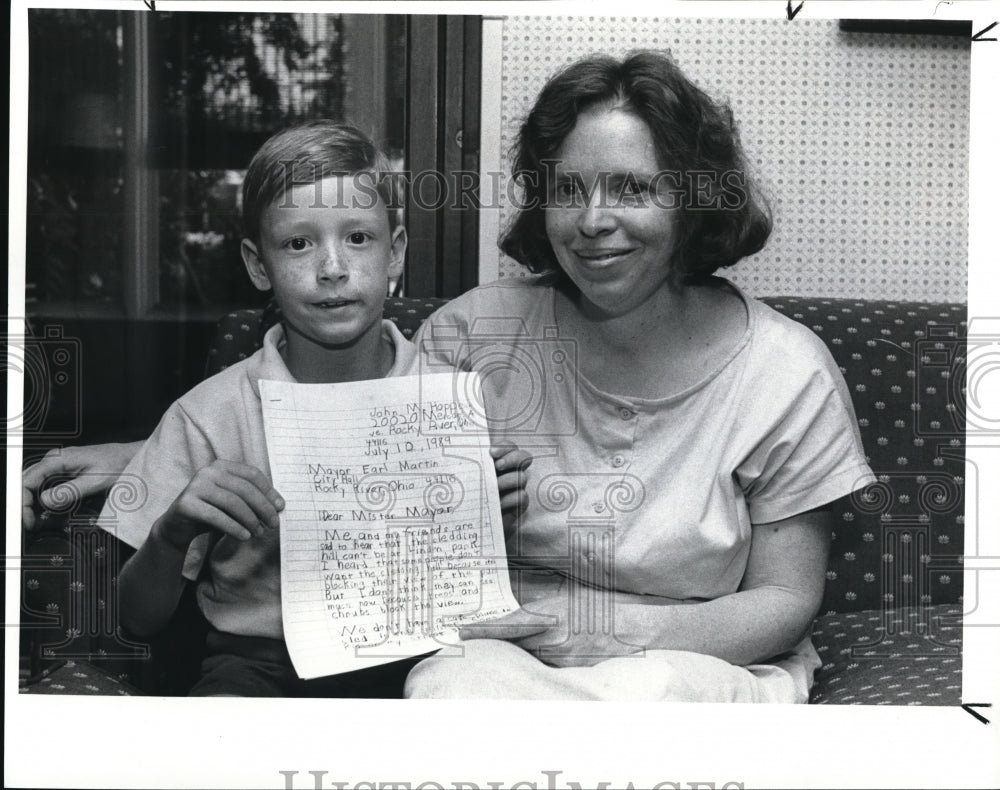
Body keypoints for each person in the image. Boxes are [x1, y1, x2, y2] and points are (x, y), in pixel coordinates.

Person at [23, 51, 874, 702]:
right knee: (453, 692)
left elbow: (787, 599)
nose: (594, 221)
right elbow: (340, 421)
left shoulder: (783, 370)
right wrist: (147, 460)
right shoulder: (479, 330)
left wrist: (601, 635)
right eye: (567, 188)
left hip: (688, 661)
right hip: (487, 660)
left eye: (632, 188)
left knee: (641, 700)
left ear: (693, 200)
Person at [62, 120, 530, 697]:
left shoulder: (458, 401)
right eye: (298, 243)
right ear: (259, 266)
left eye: (358, 238)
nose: (332, 267)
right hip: (259, 666)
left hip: (427, 662)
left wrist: (493, 516)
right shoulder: (206, 414)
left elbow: (490, 590)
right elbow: (137, 619)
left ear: (396, 253)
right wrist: (172, 532)